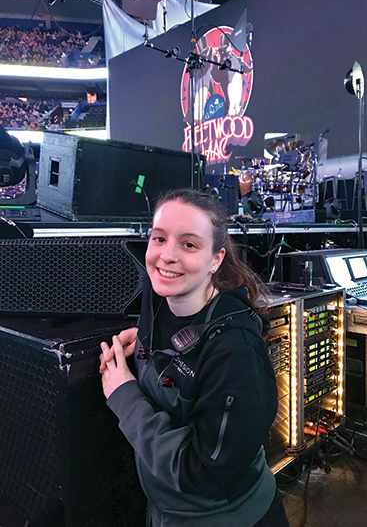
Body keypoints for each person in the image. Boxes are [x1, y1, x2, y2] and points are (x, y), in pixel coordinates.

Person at [99, 188, 289, 527]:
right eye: (159, 239)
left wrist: (124, 396)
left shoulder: (235, 350)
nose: (166, 256)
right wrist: (142, 343)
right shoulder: (159, 297)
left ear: (215, 259)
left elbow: (205, 473)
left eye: (188, 244)